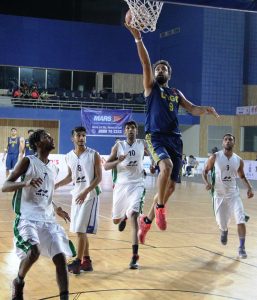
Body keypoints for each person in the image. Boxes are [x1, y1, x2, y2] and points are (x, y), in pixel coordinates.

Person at [125, 21, 219, 244]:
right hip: (155, 136)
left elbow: (191, 108)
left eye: (163, 69)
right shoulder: (151, 88)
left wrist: (204, 109)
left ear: (169, 74)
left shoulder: (175, 92)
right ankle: (159, 208)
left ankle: (146, 222)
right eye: (158, 69)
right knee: (164, 168)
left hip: (175, 140)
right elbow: (145, 62)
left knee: (172, 186)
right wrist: (138, 37)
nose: (159, 70)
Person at [2, 129, 75, 300]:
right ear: (37, 143)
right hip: (27, 218)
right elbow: (5, 185)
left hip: (47, 220)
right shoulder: (28, 161)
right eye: (46, 136)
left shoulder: (54, 168)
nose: (50, 137)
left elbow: (48, 196)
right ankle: (18, 282)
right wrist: (25, 183)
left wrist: (56, 208)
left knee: (60, 258)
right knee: (34, 251)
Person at [55, 126, 102, 275]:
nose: (81, 138)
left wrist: (86, 191)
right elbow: (70, 177)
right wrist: (56, 184)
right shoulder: (68, 156)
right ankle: (86, 262)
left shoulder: (93, 154)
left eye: (83, 135)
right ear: (73, 138)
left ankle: (77, 261)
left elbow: (98, 177)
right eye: (78, 135)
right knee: (78, 230)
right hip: (76, 195)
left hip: (91, 194)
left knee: (81, 230)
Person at [104, 121, 149, 269]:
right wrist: (118, 160)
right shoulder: (118, 146)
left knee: (134, 217)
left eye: (133, 128)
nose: (130, 130)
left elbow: (153, 156)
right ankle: (123, 216)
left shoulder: (142, 144)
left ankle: (134, 257)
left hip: (137, 184)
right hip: (121, 186)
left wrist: (154, 166)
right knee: (116, 221)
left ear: (137, 131)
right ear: (124, 132)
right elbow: (106, 166)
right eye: (128, 128)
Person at [202, 133, 254, 258]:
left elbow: (241, 176)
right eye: (225, 139)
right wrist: (207, 183)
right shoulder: (215, 157)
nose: (228, 141)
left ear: (234, 143)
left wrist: (249, 187)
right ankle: (224, 231)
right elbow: (205, 171)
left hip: (233, 194)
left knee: (240, 219)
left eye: (230, 139)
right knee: (222, 224)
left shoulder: (238, 160)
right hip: (218, 195)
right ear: (222, 143)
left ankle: (241, 247)